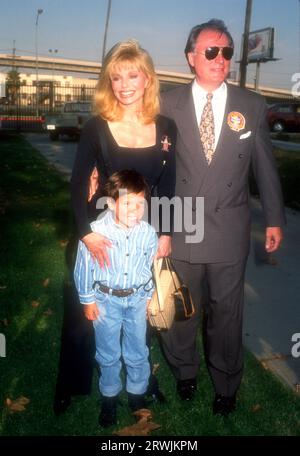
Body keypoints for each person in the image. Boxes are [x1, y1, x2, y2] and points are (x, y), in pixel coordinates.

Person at [159, 19, 285, 416]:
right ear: (191, 58)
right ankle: (184, 372)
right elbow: (151, 164)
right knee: (181, 308)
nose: (220, 59)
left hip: (230, 226)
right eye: (211, 51)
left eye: (227, 51)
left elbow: (265, 166)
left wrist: (275, 218)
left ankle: (226, 382)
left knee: (227, 314)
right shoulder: (166, 103)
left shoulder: (251, 104)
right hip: (181, 223)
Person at [53, 39, 176, 415]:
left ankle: (144, 380)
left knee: (142, 310)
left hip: (145, 232)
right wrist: (86, 233)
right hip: (101, 230)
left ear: (147, 79)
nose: (124, 84)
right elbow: (77, 184)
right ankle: (72, 384)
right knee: (83, 310)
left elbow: (170, 183)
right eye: (116, 77)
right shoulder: (96, 126)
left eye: (132, 75)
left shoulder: (167, 126)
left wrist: (167, 232)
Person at [74, 169, 158, 427]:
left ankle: (136, 394)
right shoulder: (95, 233)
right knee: (108, 351)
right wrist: (88, 300)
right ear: (111, 203)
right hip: (105, 302)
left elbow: (148, 268)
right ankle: (109, 396)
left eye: (139, 203)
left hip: (135, 301)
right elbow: (83, 268)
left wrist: (148, 297)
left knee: (137, 350)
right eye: (127, 203)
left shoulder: (148, 233)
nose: (135, 209)